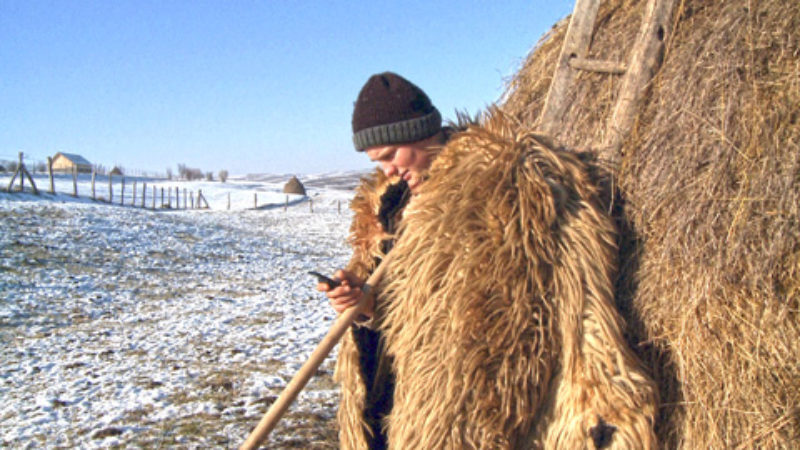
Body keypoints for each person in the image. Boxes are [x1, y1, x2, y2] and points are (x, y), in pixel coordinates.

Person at [319, 72, 658, 449]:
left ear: (420, 131)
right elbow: (401, 315)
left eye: (390, 156)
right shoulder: (388, 206)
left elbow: (572, 303)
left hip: (474, 417)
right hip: (394, 410)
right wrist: (364, 307)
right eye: (377, 162)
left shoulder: (504, 187)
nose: (389, 171)